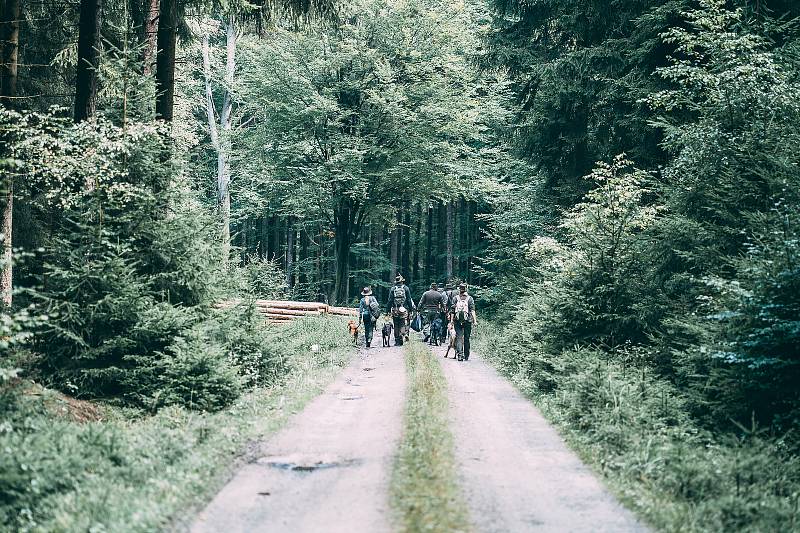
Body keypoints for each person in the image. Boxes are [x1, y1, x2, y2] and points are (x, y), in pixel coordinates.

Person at [386, 274, 416, 346]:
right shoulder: (406, 288)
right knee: (402, 323)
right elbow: (409, 300)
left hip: (395, 309)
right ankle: (401, 337)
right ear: (402, 281)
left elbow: (390, 301)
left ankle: (397, 341)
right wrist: (411, 310)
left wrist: (387, 310)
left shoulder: (393, 289)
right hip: (404, 309)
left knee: (396, 324)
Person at [451, 282, 477, 361]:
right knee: (466, 337)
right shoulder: (470, 298)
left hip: (457, 320)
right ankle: (466, 355)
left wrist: (452, 320)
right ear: (466, 289)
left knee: (459, 337)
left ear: (459, 289)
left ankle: (460, 355)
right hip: (467, 320)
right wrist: (474, 321)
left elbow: (452, 311)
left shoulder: (455, 298)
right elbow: (472, 310)